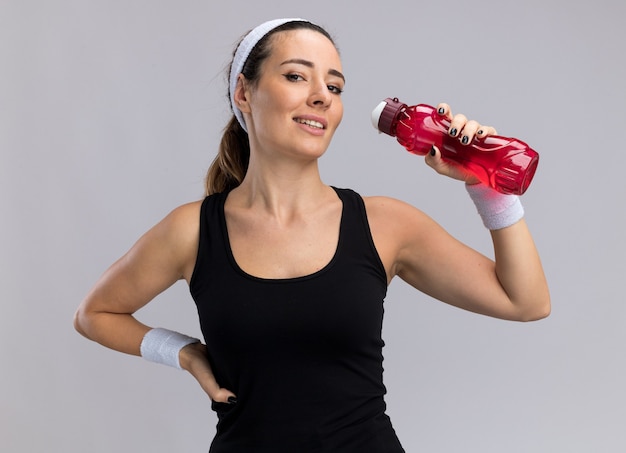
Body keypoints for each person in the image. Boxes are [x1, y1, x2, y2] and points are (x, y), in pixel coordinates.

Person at [74, 17, 550, 452]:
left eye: (335, 85)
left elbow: (525, 302)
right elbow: (95, 313)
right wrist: (185, 353)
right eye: (297, 76)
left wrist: (487, 187)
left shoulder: (385, 224)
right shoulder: (193, 230)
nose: (322, 95)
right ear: (244, 92)